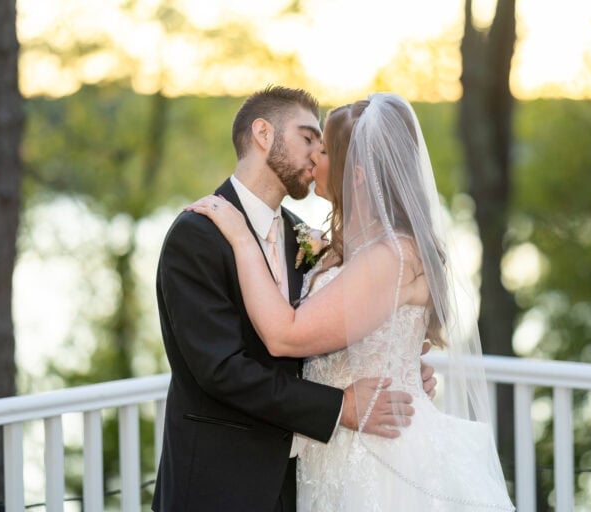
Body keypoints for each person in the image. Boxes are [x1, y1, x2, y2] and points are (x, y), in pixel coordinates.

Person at [191, 93, 515, 511]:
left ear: (356, 173)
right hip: (336, 452)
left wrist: (240, 236)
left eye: (323, 149)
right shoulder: (343, 247)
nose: (312, 157)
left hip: (380, 460)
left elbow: (284, 335)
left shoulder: (393, 255)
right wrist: (402, 367)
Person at [152, 86, 436, 512]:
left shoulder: (306, 238)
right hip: (220, 484)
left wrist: (399, 363)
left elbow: (337, 324)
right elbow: (221, 369)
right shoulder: (199, 234)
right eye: (308, 138)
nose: (318, 153)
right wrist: (339, 406)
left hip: (303, 481)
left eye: (322, 144)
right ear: (263, 134)